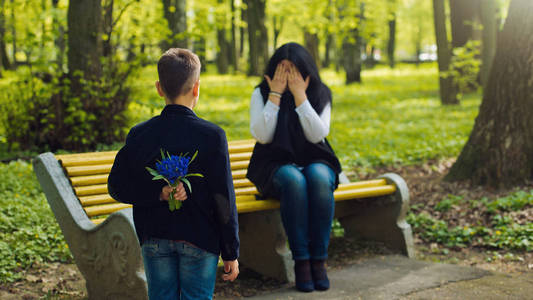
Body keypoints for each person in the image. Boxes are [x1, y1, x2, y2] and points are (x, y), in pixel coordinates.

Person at [108, 48, 239, 300]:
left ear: (159, 88)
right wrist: (230, 250)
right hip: (200, 238)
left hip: (155, 237)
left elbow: (117, 186)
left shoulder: (140, 134)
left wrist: (157, 192)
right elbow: (223, 196)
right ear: (196, 88)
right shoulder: (212, 136)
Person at [246, 43, 342, 293]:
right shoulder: (261, 93)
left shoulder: (321, 93)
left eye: (293, 70)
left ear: (305, 70)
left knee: (320, 178)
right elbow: (263, 136)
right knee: (294, 181)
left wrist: (301, 97)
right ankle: (301, 261)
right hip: (274, 163)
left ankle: (318, 260)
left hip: (314, 157)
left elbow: (317, 136)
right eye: (282, 69)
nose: (287, 76)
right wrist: (275, 96)